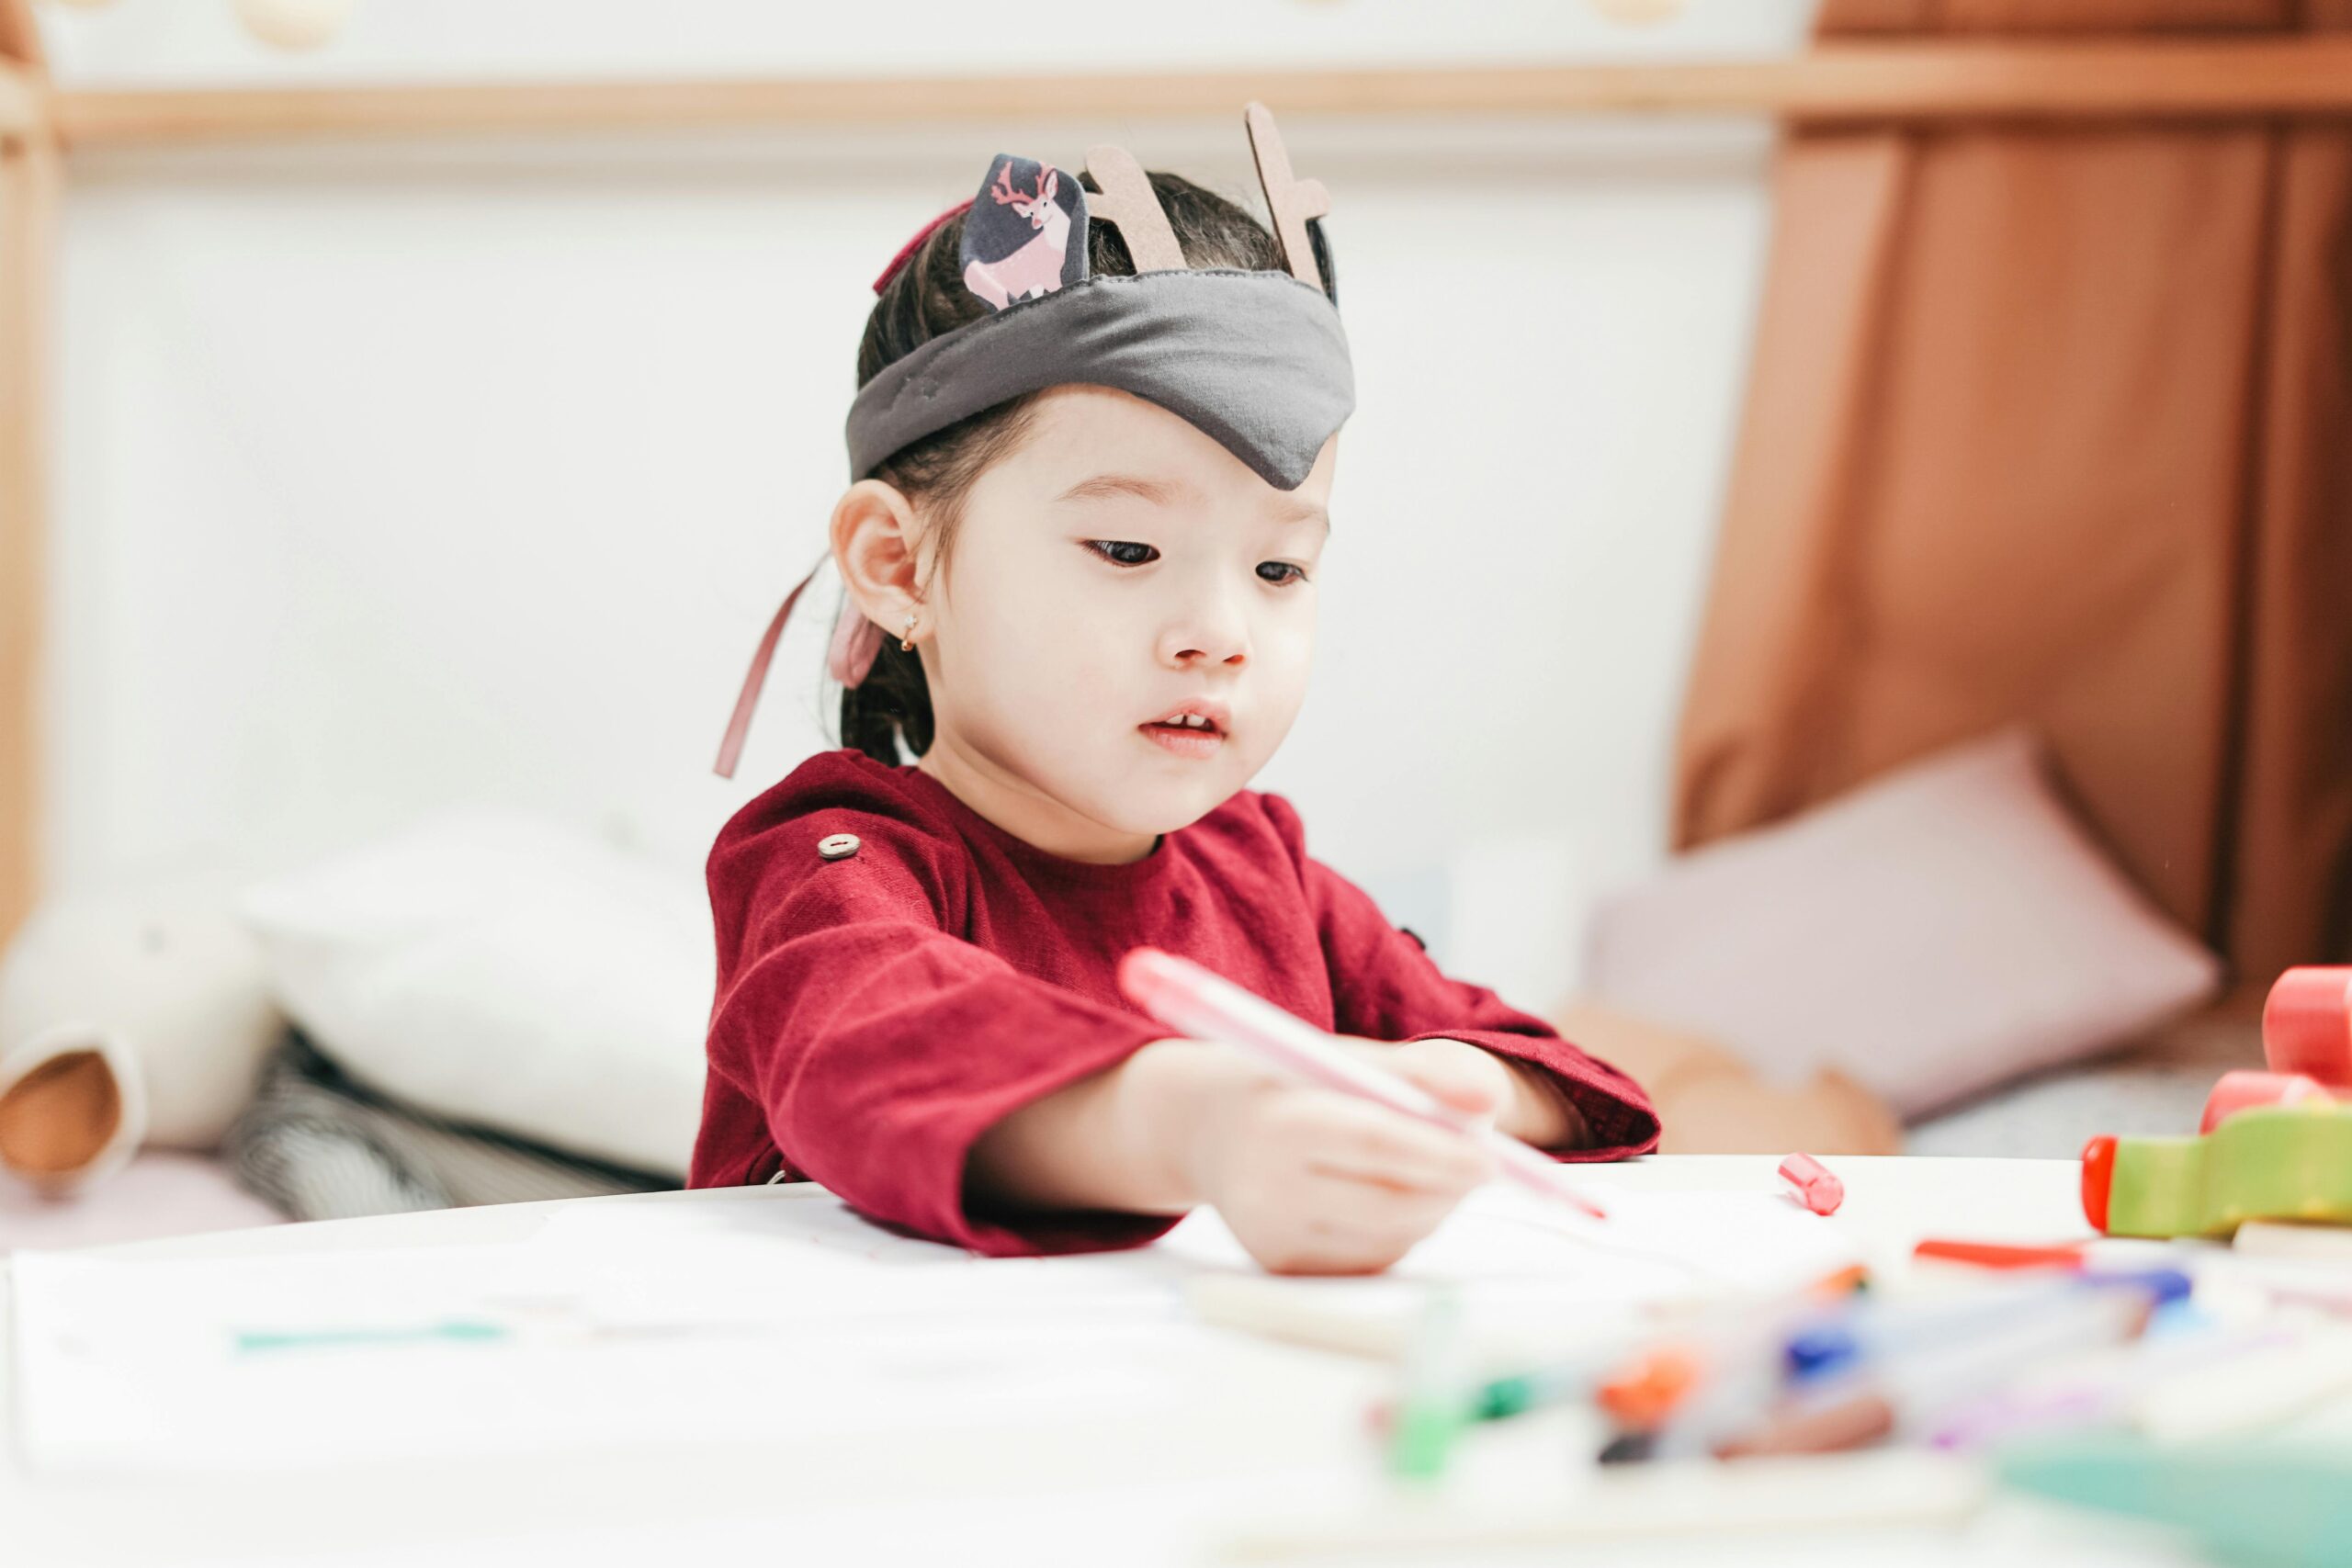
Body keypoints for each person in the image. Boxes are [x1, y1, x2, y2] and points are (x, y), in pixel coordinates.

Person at [689, 107, 1659, 1273]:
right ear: (899, 567)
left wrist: (1441, 1087)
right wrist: (1201, 1124)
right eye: (1129, 552)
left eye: (1278, 569)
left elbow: (1574, 1087)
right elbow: (870, 1049)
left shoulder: (1267, 876)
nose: (1218, 633)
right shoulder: (834, 861)